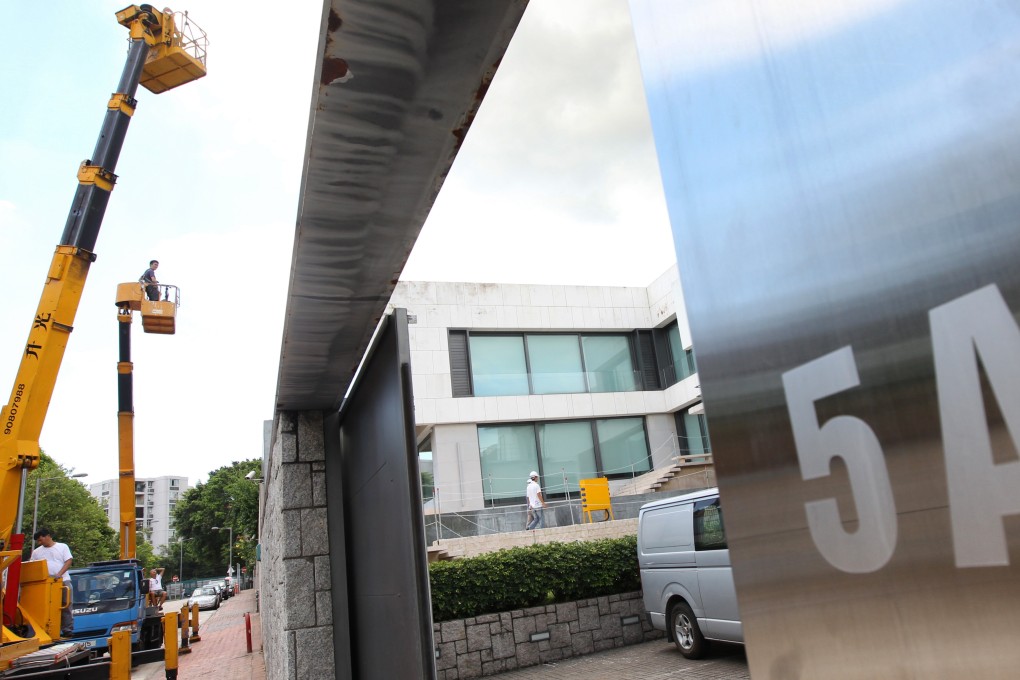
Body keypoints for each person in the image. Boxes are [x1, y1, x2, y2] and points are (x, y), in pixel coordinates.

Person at [30, 528, 74, 637]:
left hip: (62, 580)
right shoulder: (37, 552)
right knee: (48, 606)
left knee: (66, 603)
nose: (40, 543)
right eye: (38, 541)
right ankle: (48, 629)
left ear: (47, 536)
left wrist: (59, 574)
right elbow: (32, 565)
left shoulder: (62, 547)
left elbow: (68, 561)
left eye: (41, 540)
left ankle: (67, 629)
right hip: (46, 583)